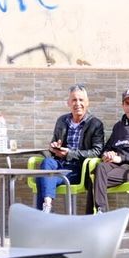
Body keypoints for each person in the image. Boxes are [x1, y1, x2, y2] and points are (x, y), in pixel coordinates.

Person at [35, 84, 105, 212]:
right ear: (68, 103)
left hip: (79, 169)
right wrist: (54, 147)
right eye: (74, 100)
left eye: (81, 100)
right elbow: (54, 143)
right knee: (46, 163)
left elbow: (97, 152)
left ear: (87, 102)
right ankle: (48, 204)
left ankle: (45, 213)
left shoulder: (95, 124)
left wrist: (70, 154)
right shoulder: (62, 120)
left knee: (42, 178)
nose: (77, 103)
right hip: (59, 165)